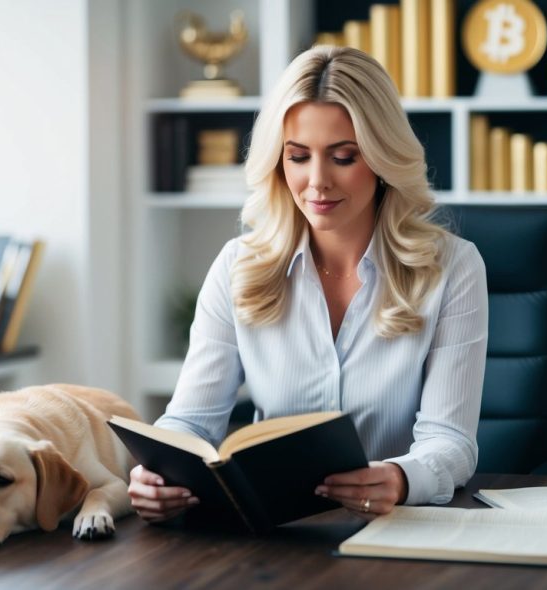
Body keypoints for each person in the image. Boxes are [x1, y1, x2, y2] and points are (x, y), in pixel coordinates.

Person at [128, 45, 487, 522]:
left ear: (381, 158)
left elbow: (451, 439)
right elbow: (191, 421)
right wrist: (156, 471)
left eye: (343, 157)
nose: (317, 182)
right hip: (273, 534)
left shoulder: (453, 268)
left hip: (395, 530)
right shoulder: (239, 266)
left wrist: (401, 479)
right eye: (298, 156)